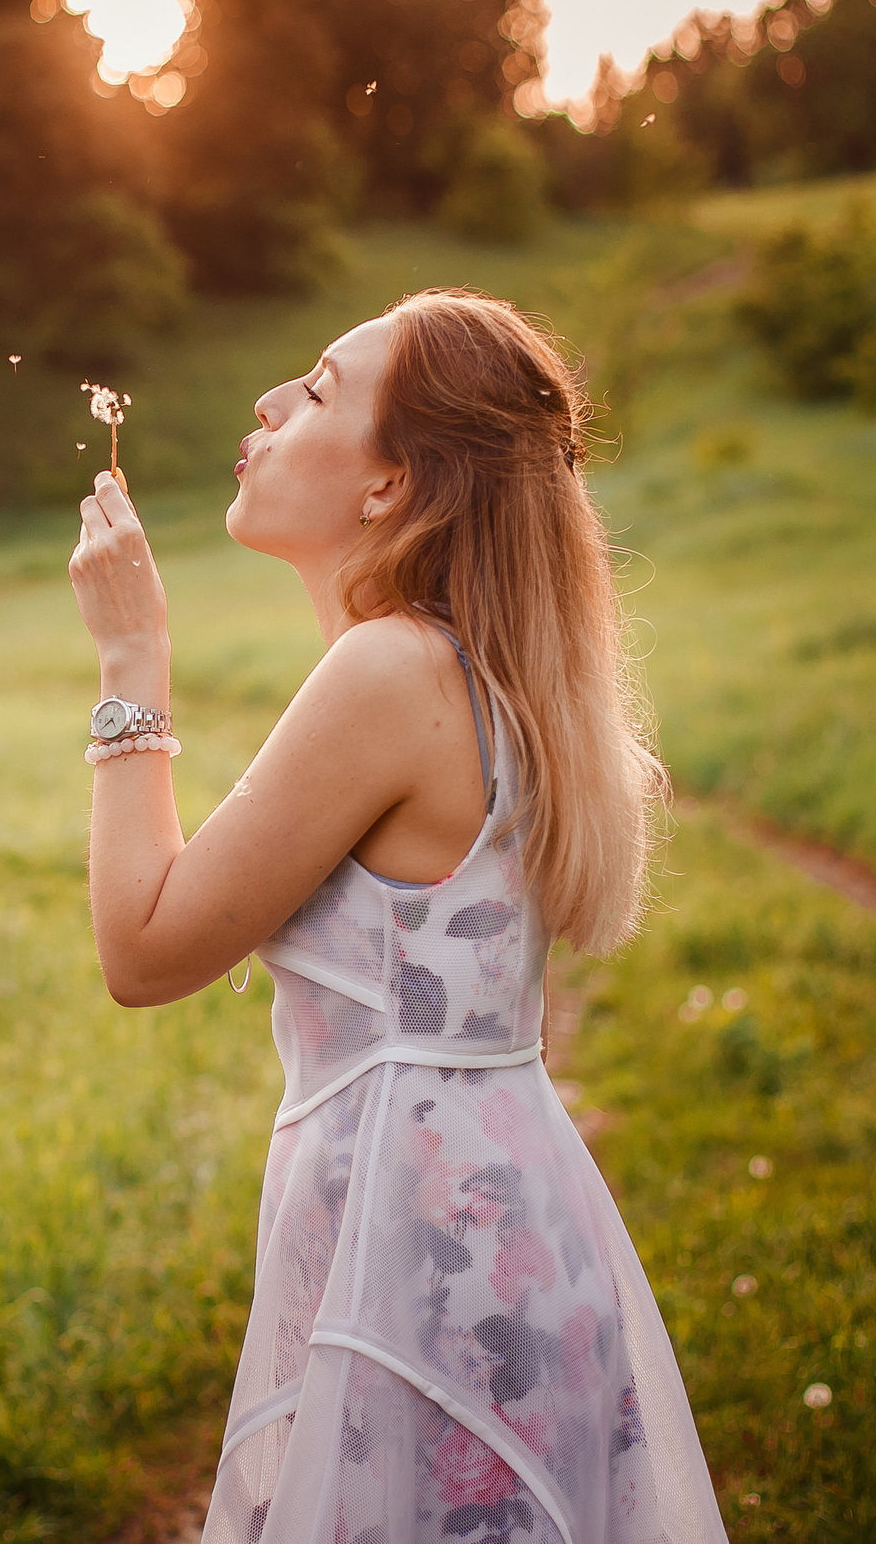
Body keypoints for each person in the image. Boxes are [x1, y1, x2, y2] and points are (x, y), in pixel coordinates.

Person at [66, 289, 727, 1544]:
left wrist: (128, 664)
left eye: (316, 390)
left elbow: (145, 951)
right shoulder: (468, 662)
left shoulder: (390, 672)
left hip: (418, 1239)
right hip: (491, 1210)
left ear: (390, 486)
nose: (265, 404)